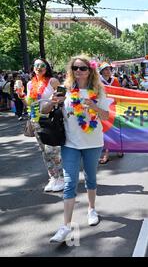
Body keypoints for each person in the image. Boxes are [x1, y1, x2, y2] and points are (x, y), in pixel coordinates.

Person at [46, 55, 110, 243]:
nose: (78, 71)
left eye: (83, 68)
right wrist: (52, 102)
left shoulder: (98, 91)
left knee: (90, 177)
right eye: (75, 68)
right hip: (70, 143)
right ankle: (66, 226)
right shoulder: (65, 90)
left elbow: (106, 116)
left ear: (90, 71)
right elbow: (44, 110)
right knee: (70, 182)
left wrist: (94, 106)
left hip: (93, 142)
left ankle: (91, 209)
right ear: (71, 70)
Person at [15, 59, 64, 192]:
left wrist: (55, 100)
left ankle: (62, 177)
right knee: (44, 151)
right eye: (36, 66)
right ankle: (53, 177)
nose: (39, 68)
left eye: (42, 65)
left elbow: (63, 95)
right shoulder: (30, 84)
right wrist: (21, 94)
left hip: (50, 119)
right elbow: (29, 104)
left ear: (46, 68)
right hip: (35, 120)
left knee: (53, 150)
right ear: (33, 68)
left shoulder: (52, 81)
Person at [98, 62, 123, 164]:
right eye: (105, 69)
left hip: (114, 108)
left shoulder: (115, 80)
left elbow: (120, 93)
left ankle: (119, 148)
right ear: (102, 71)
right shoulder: (98, 81)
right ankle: (106, 154)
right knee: (106, 131)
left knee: (116, 129)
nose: (108, 71)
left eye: (109, 69)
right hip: (103, 109)